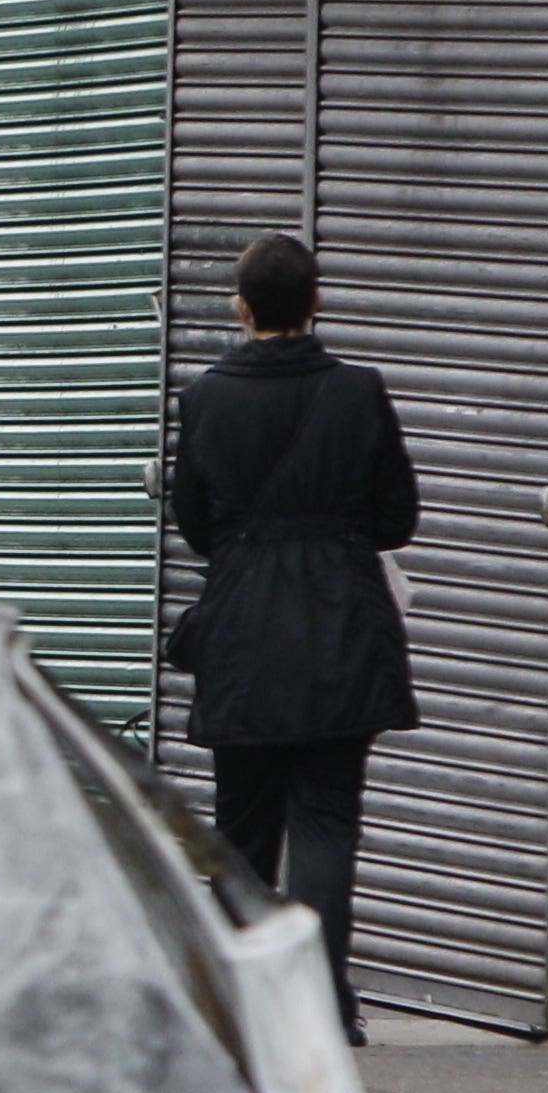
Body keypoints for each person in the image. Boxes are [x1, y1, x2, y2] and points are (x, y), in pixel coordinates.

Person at [167, 230, 419, 1046]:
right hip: (342, 625)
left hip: (241, 630)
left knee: (243, 830)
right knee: (326, 822)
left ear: (241, 308)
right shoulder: (360, 391)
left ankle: (245, 1004)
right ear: (316, 304)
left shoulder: (205, 397)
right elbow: (397, 517)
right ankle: (321, 1000)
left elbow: (196, 522)